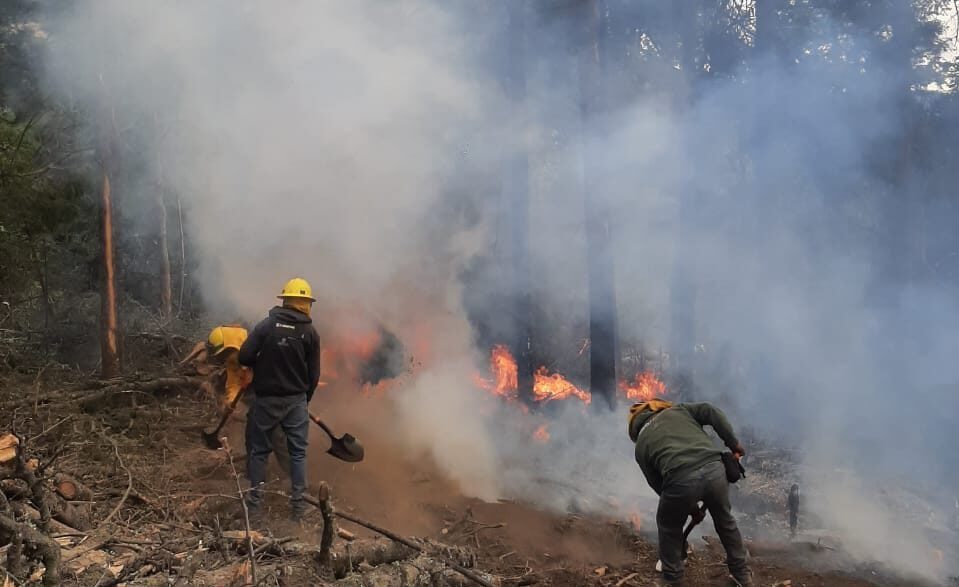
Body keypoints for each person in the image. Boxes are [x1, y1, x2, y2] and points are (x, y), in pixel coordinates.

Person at [628, 399, 753, 587]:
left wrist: (690, 507)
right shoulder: (679, 411)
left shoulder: (641, 447)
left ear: (635, 428)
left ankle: (673, 580)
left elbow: (660, 486)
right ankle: (742, 576)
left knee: (669, 526)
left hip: (680, 481)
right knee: (726, 522)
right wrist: (733, 443)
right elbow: (710, 411)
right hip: (715, 470)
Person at [238, 277, 320, 520]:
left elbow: (244, 356)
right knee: (297, 453)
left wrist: (261, 362)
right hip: (295, 401)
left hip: (266, 400)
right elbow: (313, 374)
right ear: (306, 304)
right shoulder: (310, 333)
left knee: (259, 452)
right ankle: (299, 509)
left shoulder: (266, 326)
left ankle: (253, 508)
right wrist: (305, 400)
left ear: (285, 300)